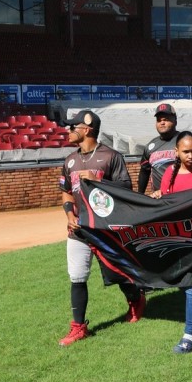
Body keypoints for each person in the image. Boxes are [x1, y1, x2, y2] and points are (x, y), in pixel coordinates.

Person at [58, 110, 146, 346]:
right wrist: (69, 214)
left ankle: (136, 299)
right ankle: (78, 327)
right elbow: (66, 191)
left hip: (104, 228)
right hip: (79, 229)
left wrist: (98, 180)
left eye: (72, 127)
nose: (68, 131)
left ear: (87, 129)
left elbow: (126, 188)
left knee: (117, 273)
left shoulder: (111, 156)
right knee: (77, 276)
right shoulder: (70, 160)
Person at [150, 131, 192, 353]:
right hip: (175, 236)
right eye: (186, 151)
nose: (191, 155)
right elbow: (166, 201)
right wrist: (158, 195)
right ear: (176, 151)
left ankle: (188, 336)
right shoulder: (169, 172)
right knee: (178, 279)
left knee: (190, 282)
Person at [137, 103, 181, 195]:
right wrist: (140, 195)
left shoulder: (185, 140)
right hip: (159, 198)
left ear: (175, 121)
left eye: (166, 119)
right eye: (159, 120)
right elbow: (144, 172)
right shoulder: (150, 146)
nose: (162, 123)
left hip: (182, 196)